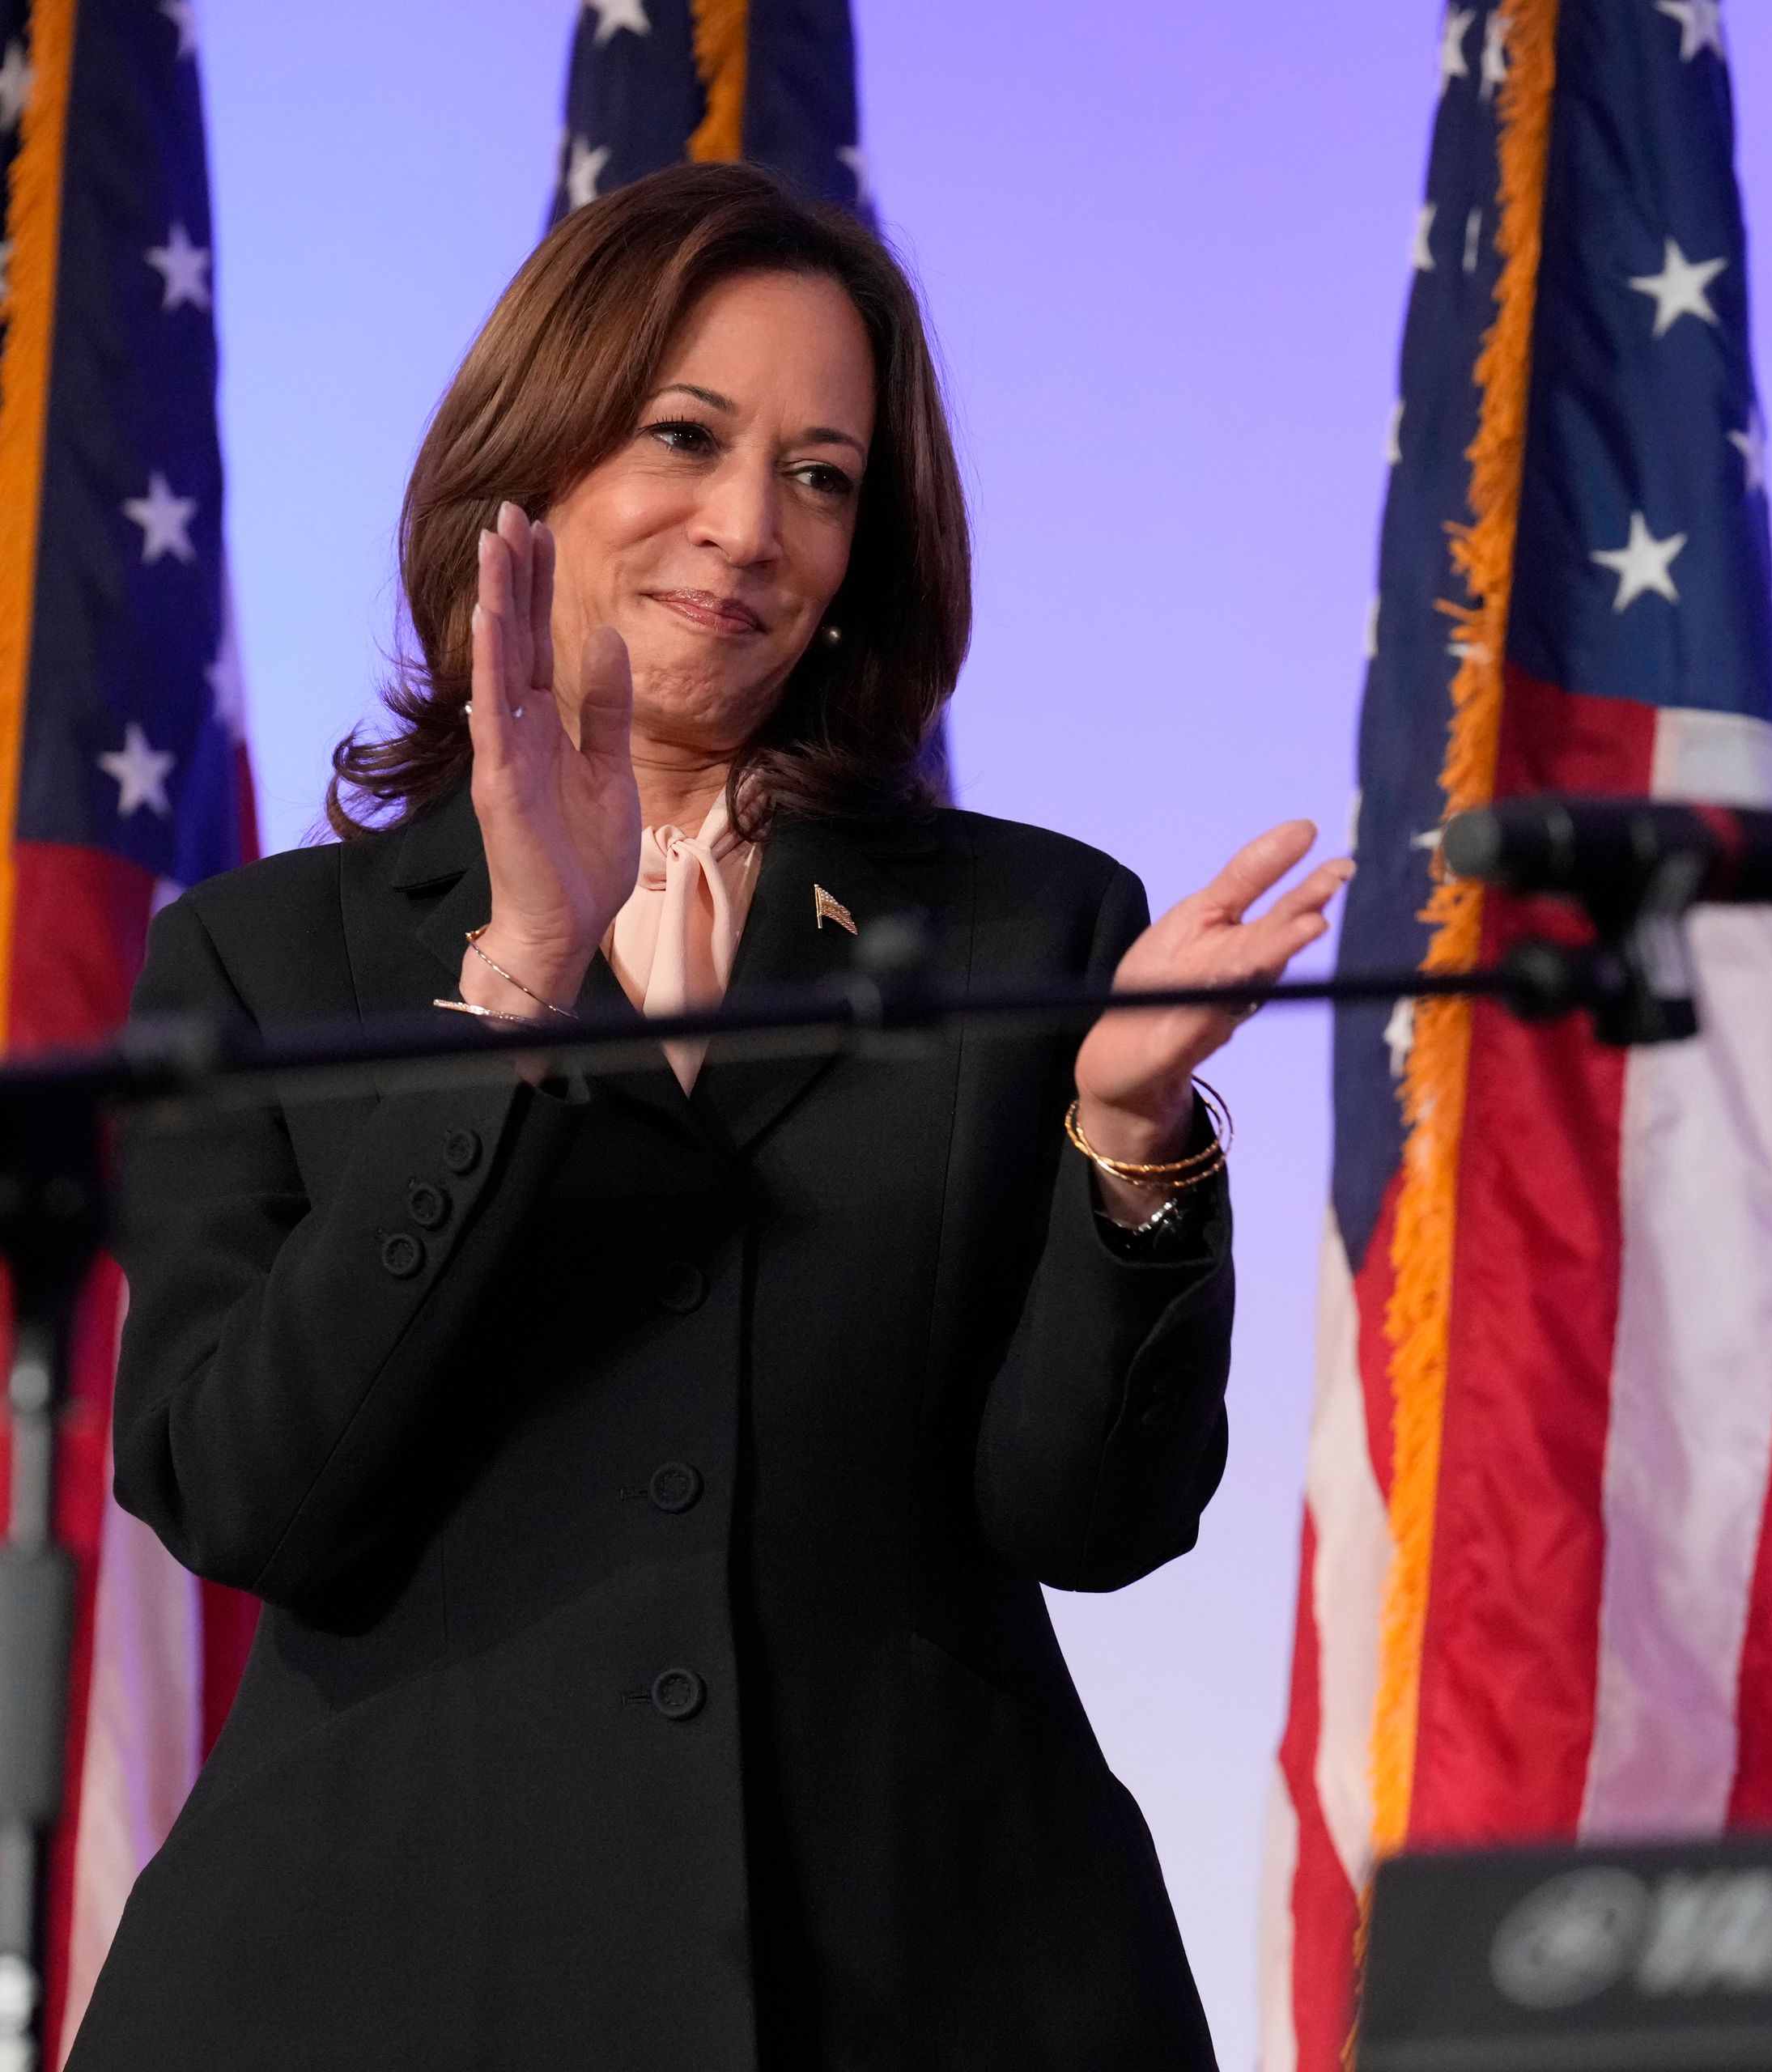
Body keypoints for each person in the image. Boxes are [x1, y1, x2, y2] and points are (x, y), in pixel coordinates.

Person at [74, 163, 1343, 2070]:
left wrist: (1131, 1137)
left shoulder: (1026, 926)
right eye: (687, 436)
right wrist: (519, 977)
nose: (751, 527)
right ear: (533, 462)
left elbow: (1089, 1515)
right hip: (390, 1979)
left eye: (823, 475)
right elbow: (251, 1493)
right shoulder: (266, 965)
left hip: (932, 1972)